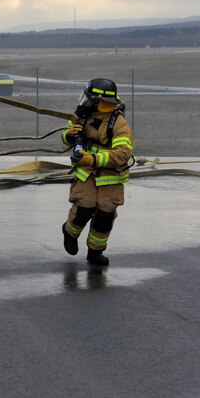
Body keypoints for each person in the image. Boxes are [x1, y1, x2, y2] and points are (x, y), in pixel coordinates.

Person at [60, 79, 134, 266]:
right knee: (84, 208)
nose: (84, 100)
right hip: (86, 175)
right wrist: (69, 134)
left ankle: (95, 251)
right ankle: (70, 232)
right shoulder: (82, 115)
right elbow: (66, 136)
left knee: (105, 216)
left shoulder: (119, 124)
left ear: (98, 100)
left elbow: (122, 154)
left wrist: (92, 159)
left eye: (88, 97)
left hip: (111, 178)